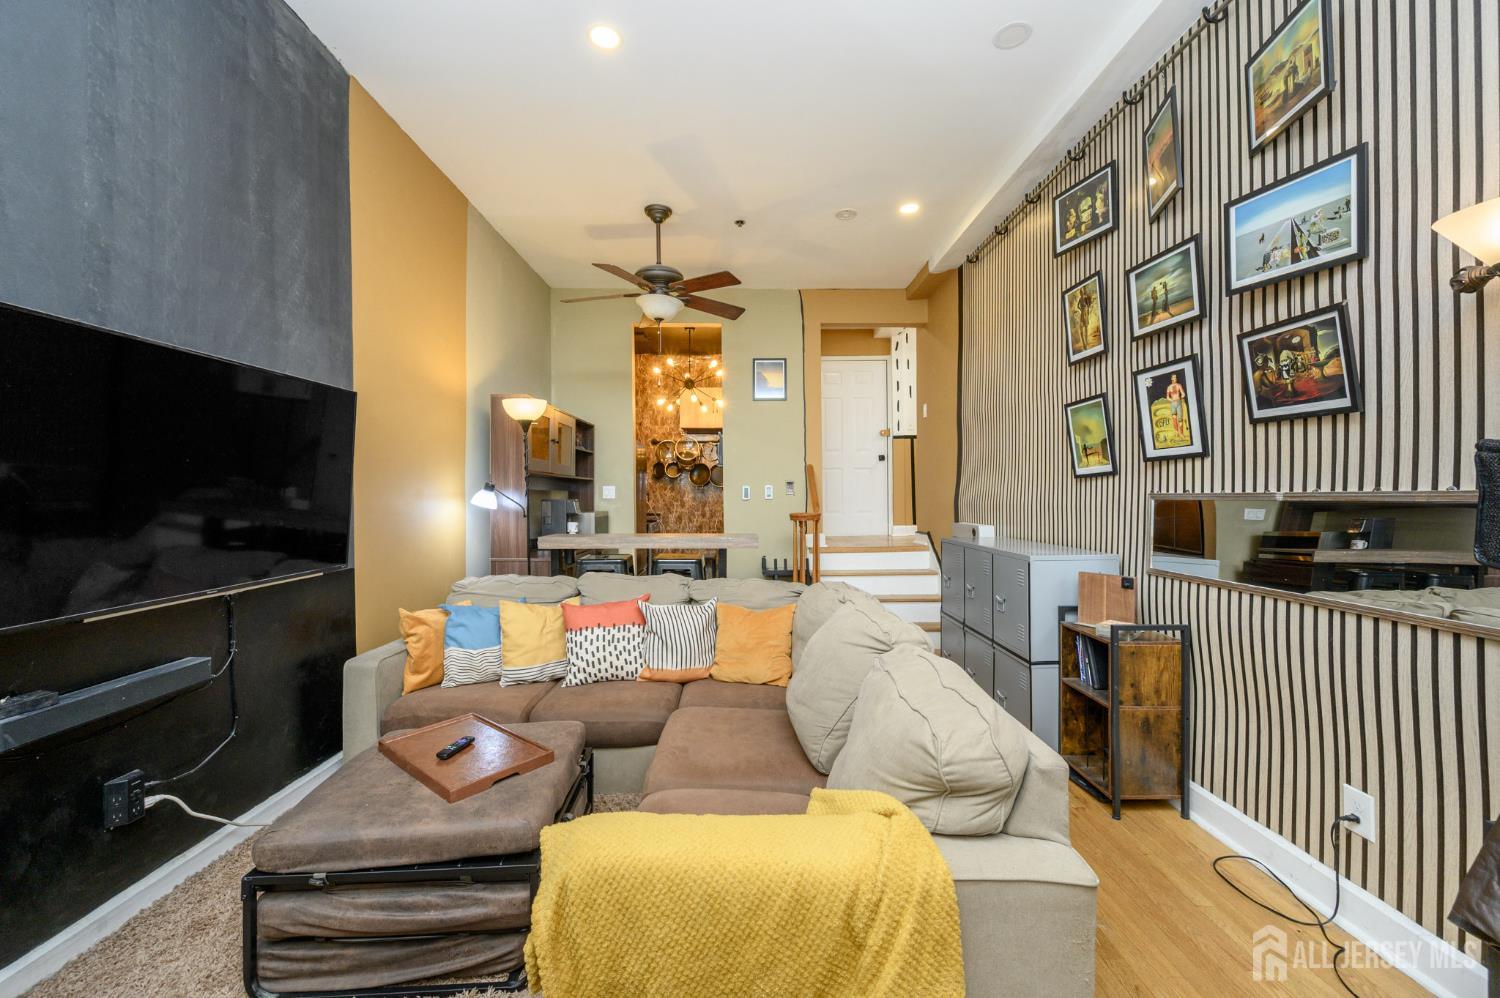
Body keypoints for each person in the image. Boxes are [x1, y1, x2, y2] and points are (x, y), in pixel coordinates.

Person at [1165, 374, 1187, 440]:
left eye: (1176, 377)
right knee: (1174, 418)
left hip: (1178, 402)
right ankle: (1177, 432)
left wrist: (1182, 396)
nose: (1175, 378)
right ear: (1171, 378)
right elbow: (1167, 397)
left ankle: (1181, 433)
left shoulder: (1179, 385)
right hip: (1173, 403)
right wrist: (1171, 400)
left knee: (1180, 419)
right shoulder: (1169, 387)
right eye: (1174, 377)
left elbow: (1183, 393)